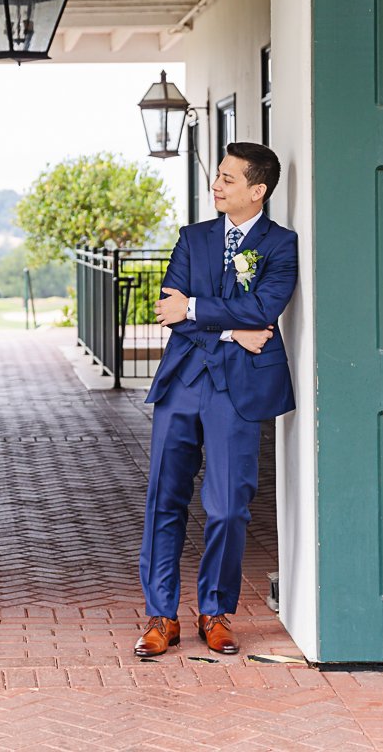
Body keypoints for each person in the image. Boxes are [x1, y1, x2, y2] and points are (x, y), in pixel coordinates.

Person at [135, 142, 297, 658]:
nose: (217, 185)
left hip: (238, 391)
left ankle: (215, 611)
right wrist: (232, 333)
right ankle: (162, 616)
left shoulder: (282, 245)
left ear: (258, 190)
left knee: (229, 508)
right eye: (218, 176)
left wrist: (200, 310)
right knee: (165, 501)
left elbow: (264, 306)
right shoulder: (193, 238)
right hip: (182, 383)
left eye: (228, 179)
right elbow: (169, 310)